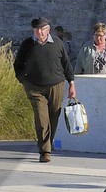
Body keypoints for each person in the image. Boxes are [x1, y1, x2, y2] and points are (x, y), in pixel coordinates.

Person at [13, 17, 76, 163]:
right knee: (42, 119)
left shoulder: (58, 44)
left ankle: (48, 143)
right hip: (34, 88)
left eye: (42, 29)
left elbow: (66, 64)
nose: (39, 32)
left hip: (56, 84)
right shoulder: (27, 44)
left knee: (54, 116)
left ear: (48, 30)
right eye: (36, 30)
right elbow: (18, 65)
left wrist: (71, 83)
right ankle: (45, 151)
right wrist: (24, 81)